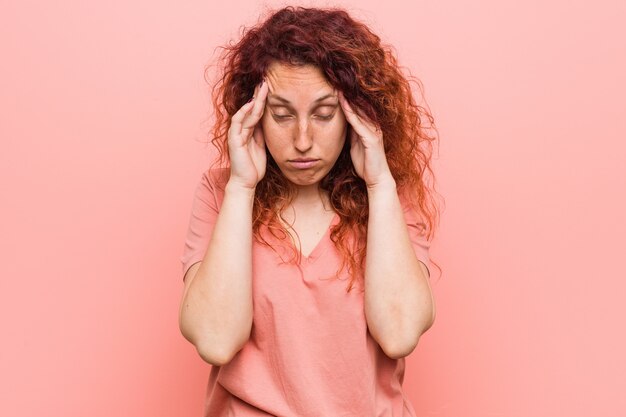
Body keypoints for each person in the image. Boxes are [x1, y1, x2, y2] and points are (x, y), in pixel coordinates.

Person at [178, 5, 441, 416]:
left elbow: (400, 333)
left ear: (357, 116)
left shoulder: (390, 195)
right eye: (282, 115)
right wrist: (242, 187)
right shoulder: (221, 193)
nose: (303, 140)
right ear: (255, 115)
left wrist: (380, 185)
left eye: (323, 114)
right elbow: (214, 339)